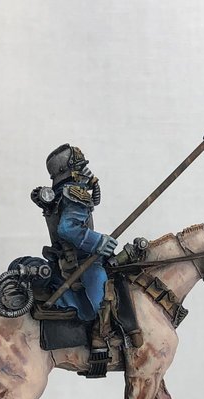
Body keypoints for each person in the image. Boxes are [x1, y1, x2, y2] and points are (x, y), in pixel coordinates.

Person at [37, 144, 119, 377]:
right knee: (102, 297)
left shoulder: (59, 193)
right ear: (69, 169)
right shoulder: (74, 193)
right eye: (81, 166)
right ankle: (99, 342)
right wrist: (98, 242)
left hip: (65, 258)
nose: (86, 170)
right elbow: (68, 229)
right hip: (81, 260)